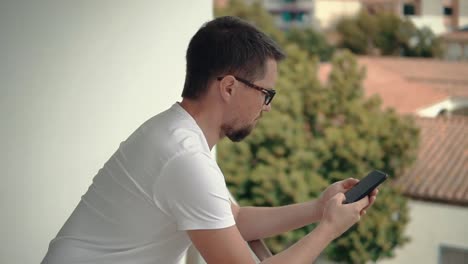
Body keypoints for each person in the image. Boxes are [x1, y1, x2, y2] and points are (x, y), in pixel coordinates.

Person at [42, 16, 377, 264]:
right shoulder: (184, 159)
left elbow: (233, 219)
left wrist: (319, 209)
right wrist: (329, 229)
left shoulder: (175, 134)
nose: (267, 107)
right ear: (229, 87)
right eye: (266, 93)